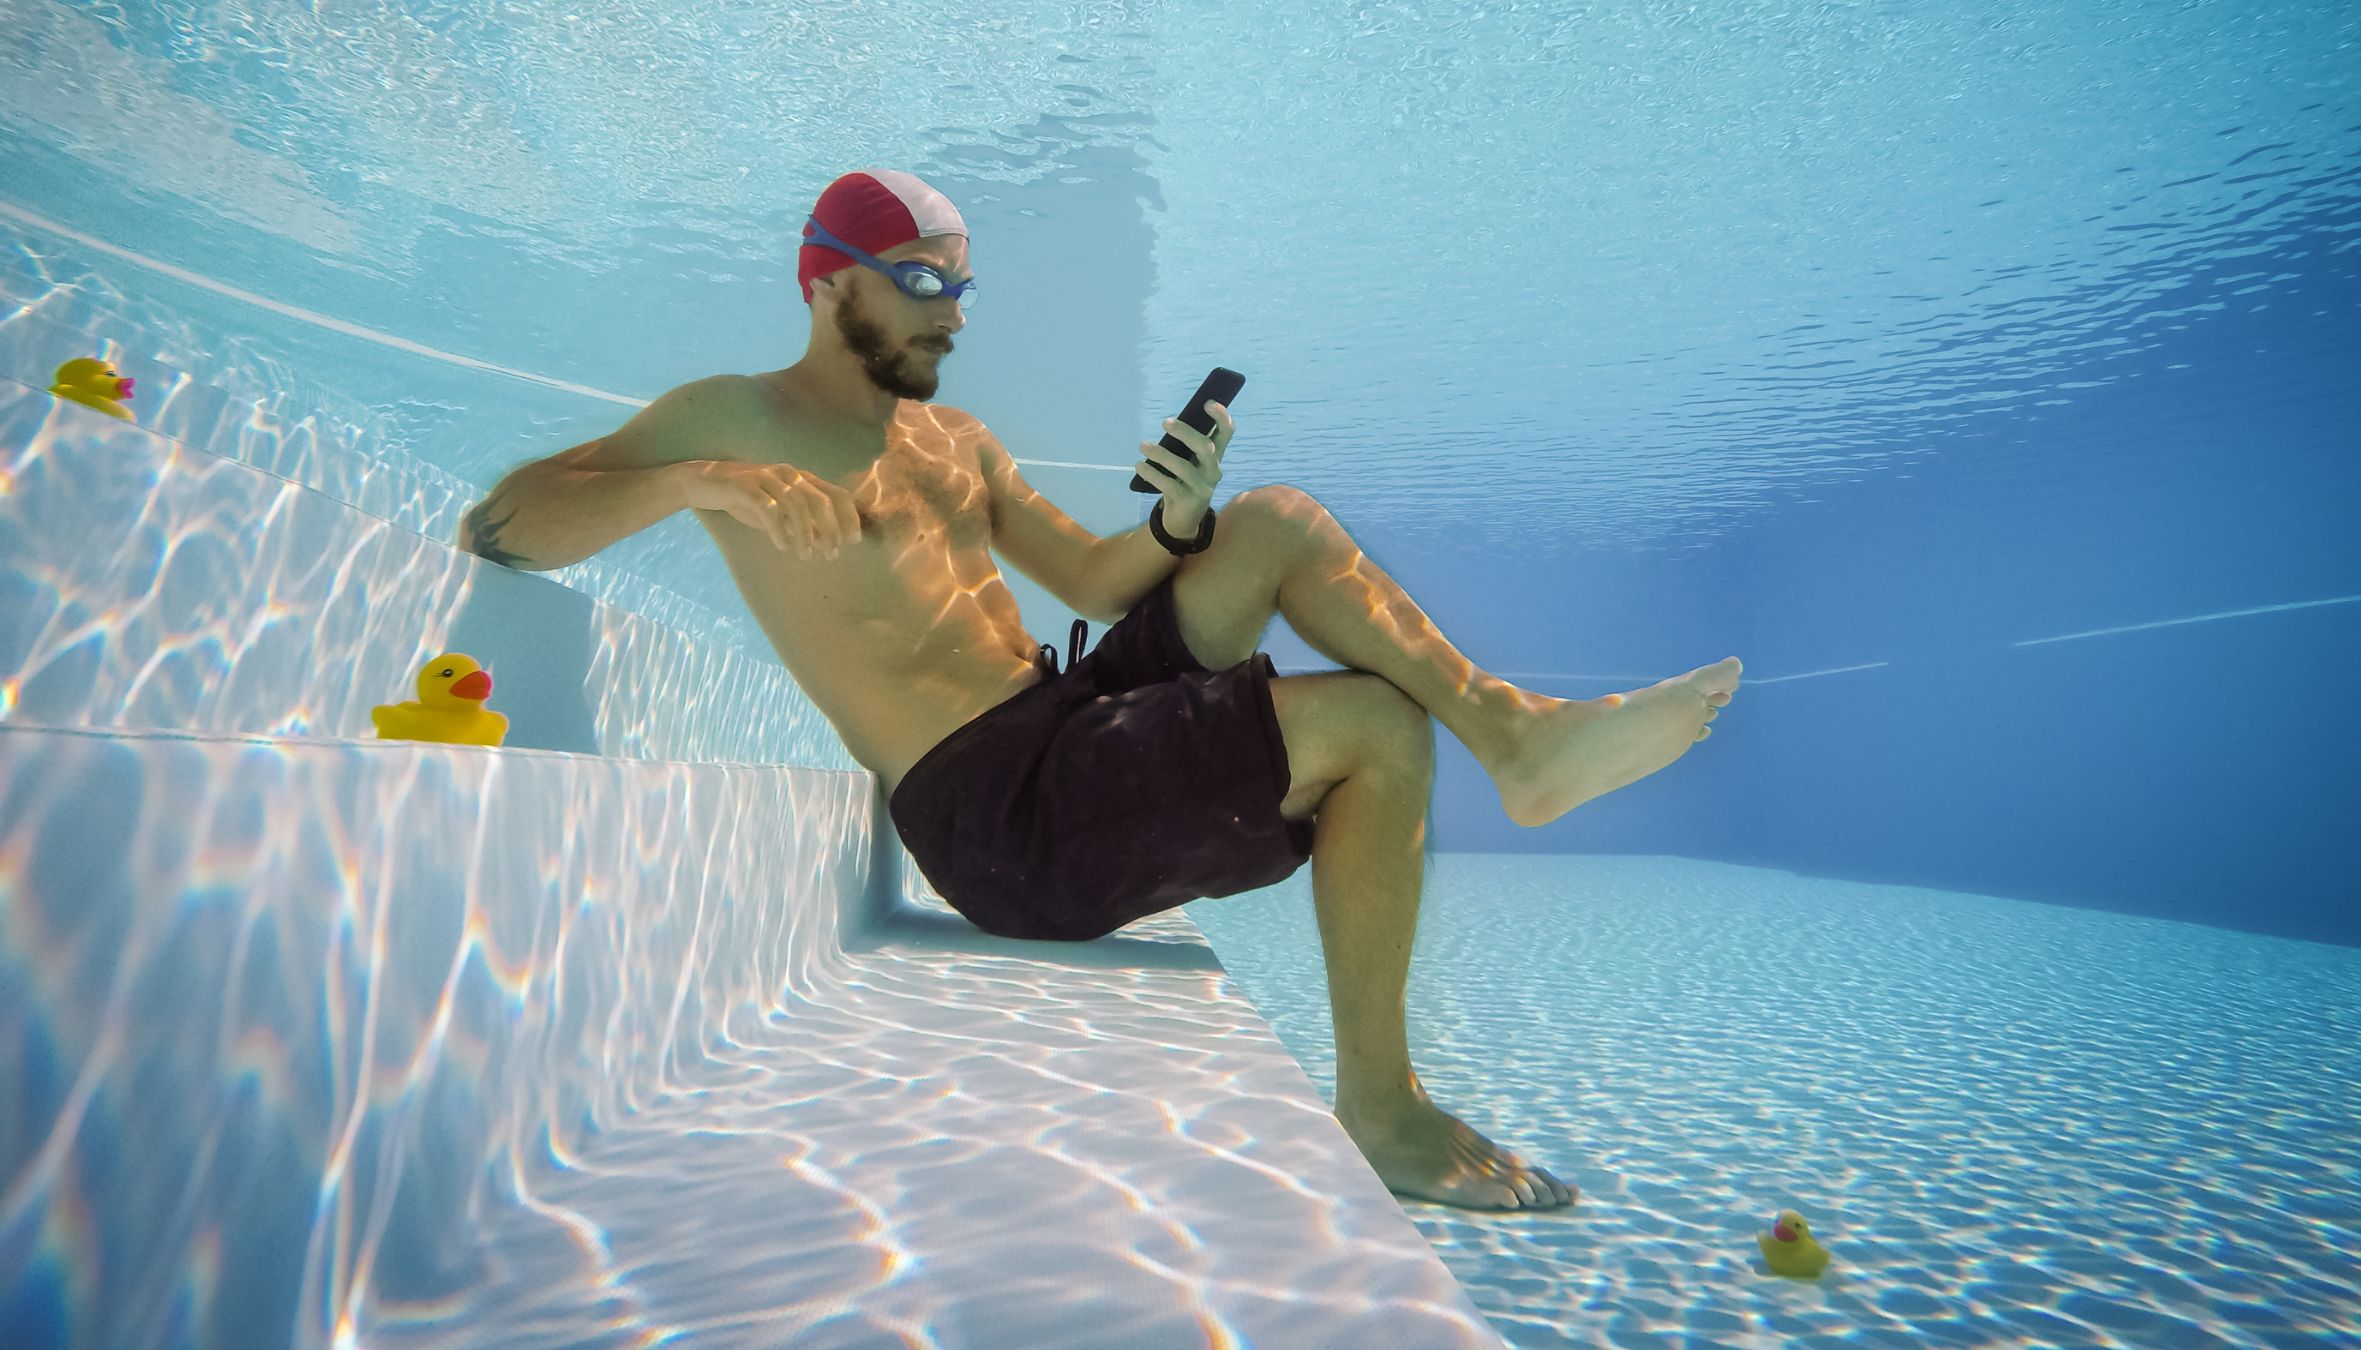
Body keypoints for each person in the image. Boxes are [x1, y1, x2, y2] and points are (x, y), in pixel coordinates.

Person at [458, 167, 1743, 1213]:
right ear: (826, 278)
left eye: (962, 287)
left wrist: (1180, 520)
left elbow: (1086, 575)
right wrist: (695, 485)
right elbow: (504, 523)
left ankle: (1517, 741)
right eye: (922, 284)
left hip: (1063, 721)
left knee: (1273, 519)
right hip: (996, 818)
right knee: (1372, 728)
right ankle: (1382, 1110)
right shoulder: (728, 418)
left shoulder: (957, 442)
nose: (954, 314)